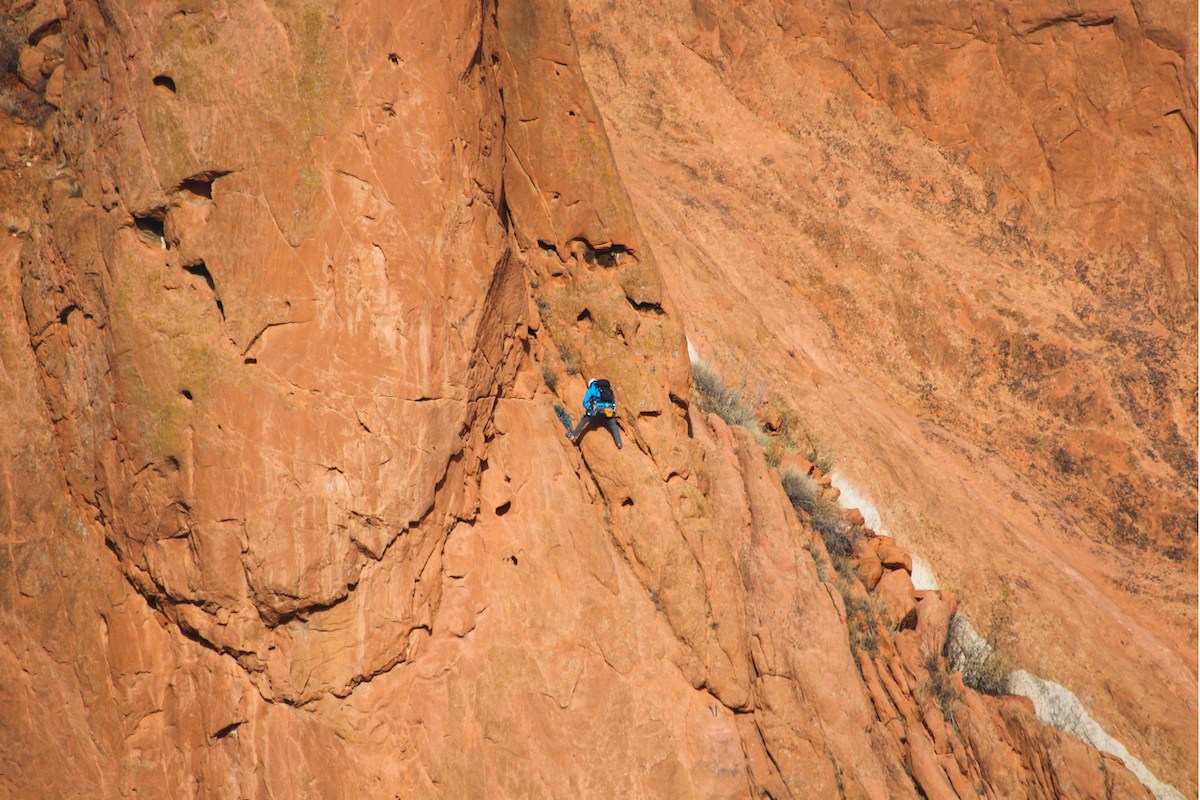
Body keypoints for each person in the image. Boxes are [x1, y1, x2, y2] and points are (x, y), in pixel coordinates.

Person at [568, 378, 622, 449]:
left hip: (597, 408)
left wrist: (590, 409)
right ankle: (619, 443)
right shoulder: (607, 389)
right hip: (608, 409)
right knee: (613, 425)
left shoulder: (592, 389)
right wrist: (613, 409)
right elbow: (612, 400)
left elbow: (585, 402)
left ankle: (573, 435)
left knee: (584, 419)